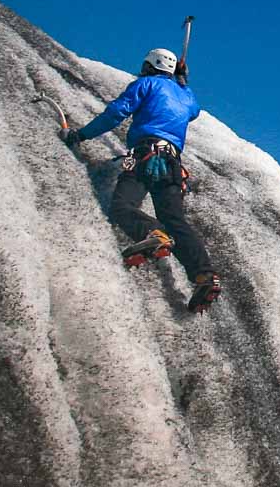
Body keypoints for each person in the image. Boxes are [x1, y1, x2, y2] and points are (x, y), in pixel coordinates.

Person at [62, 48, 221, 312]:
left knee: (122, 207)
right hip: (173, 164)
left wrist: (80, 135)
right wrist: (183, 83)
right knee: (175, 219)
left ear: (149, 66)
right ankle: (205, 275)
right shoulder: (184, 96)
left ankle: (152, 234)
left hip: (145, 154)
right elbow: (193, 111)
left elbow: (116, 113)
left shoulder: (145, 84)